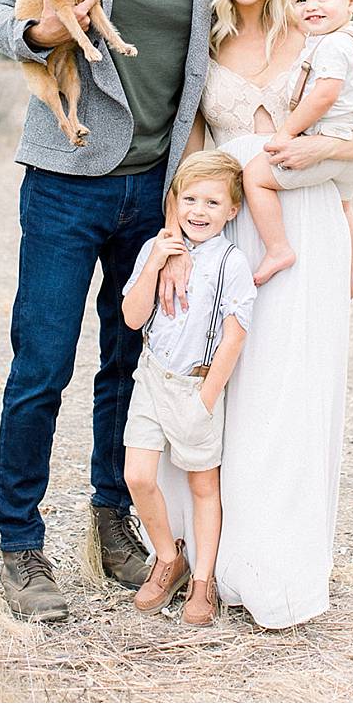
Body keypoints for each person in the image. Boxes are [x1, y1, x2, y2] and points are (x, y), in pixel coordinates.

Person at [0, 0, 219, 622]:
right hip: (63, 186)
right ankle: (20, 547)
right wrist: (42, 37)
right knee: (41, 362)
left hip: (154, 194)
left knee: (127, 364)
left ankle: (112, 523)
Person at [153, 0, 353, 629]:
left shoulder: (321, 32)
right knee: (219, 383)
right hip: (228, 223)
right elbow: (196, 150)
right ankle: (201, 555)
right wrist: (176, 240)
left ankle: (273, 562)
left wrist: (319, 151)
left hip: (304, 219)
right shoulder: (208, 41)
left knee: (286, 389)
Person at [121, 151, 256, 625]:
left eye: (213, 203)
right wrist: (156, 260)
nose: (199, 211)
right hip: (152, 377)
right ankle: (166, 556)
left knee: (203, 486)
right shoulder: (155, 250)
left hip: (196, 387)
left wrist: (207, 396)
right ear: (174, 203)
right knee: (138, 475)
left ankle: (203, 580)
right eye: (190, 200)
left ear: (232, 211)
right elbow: (133, 316)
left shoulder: (231, 263)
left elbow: (236, 334)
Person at [242, 0, 353, 300]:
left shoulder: (332, 46)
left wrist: (287, 132)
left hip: (327, 140)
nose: (311, 8)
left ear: (351, 1)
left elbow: (324, 95)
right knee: (343, 206)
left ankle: (277, 248)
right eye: (301, 1)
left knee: (256, 177)